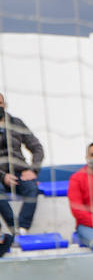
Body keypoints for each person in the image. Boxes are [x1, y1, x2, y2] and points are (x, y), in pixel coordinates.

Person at [0, 92, 44, 236]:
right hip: (1, 175)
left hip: (20, 172)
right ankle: (13, 227)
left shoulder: (16, 123)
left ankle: (23, 228)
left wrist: (33, 169)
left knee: (32, 188)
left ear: (5, 104)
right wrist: (3, 176)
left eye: (0, 103)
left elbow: (37, 148)